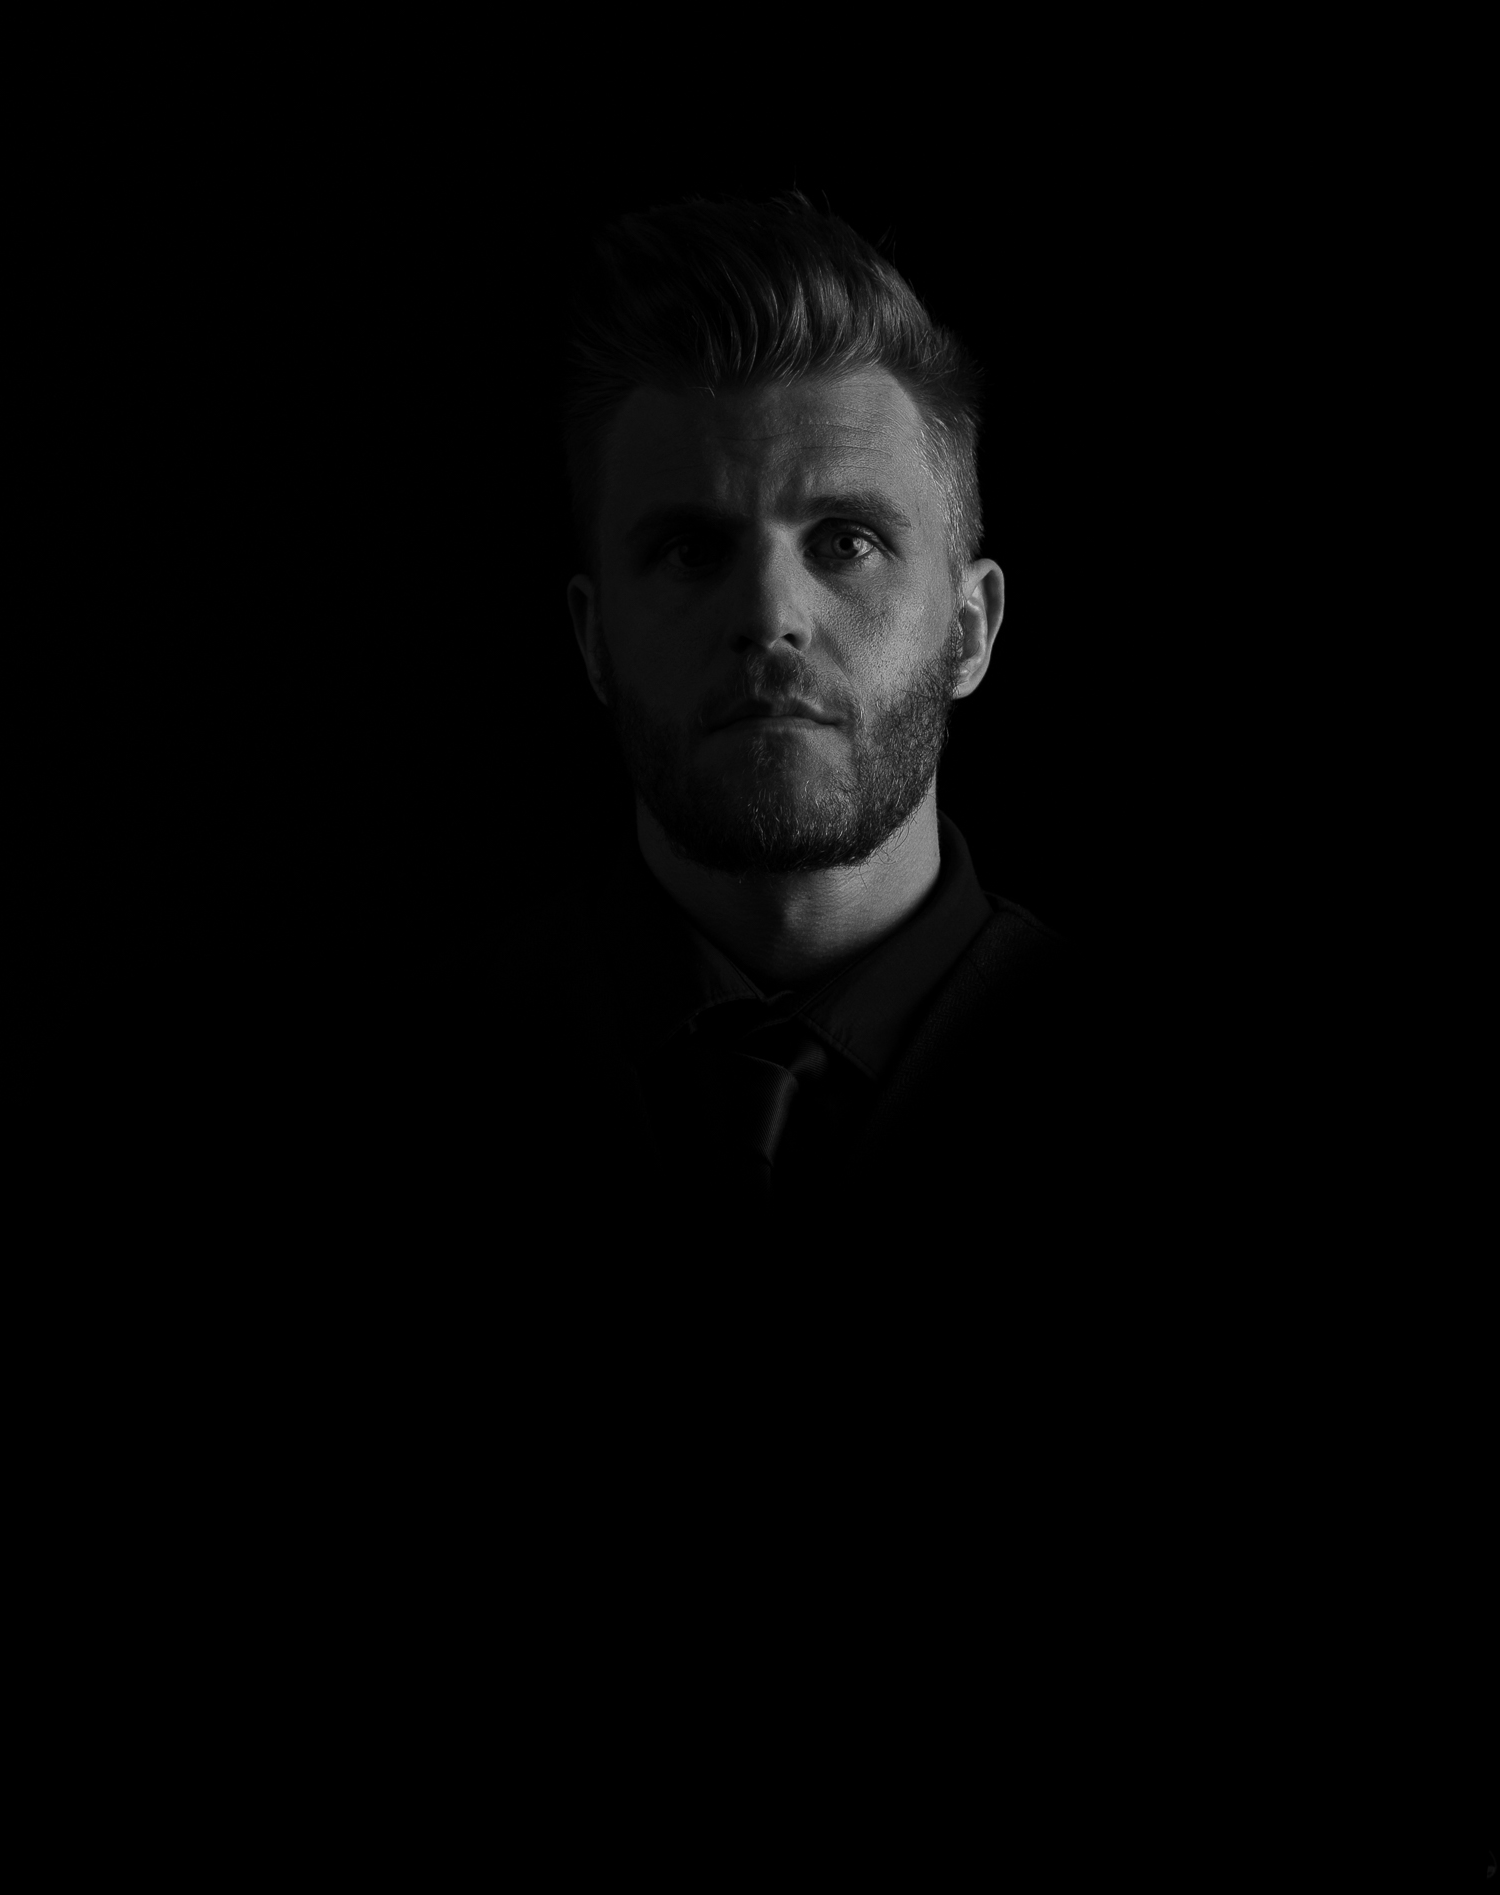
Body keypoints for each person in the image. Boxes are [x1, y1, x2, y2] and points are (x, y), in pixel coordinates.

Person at [393, 188, 1066, 1341]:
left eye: (846, 540)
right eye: (692, 548)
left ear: (971, 629)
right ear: (592, 638)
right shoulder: (401, 1088)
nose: (769, 614)